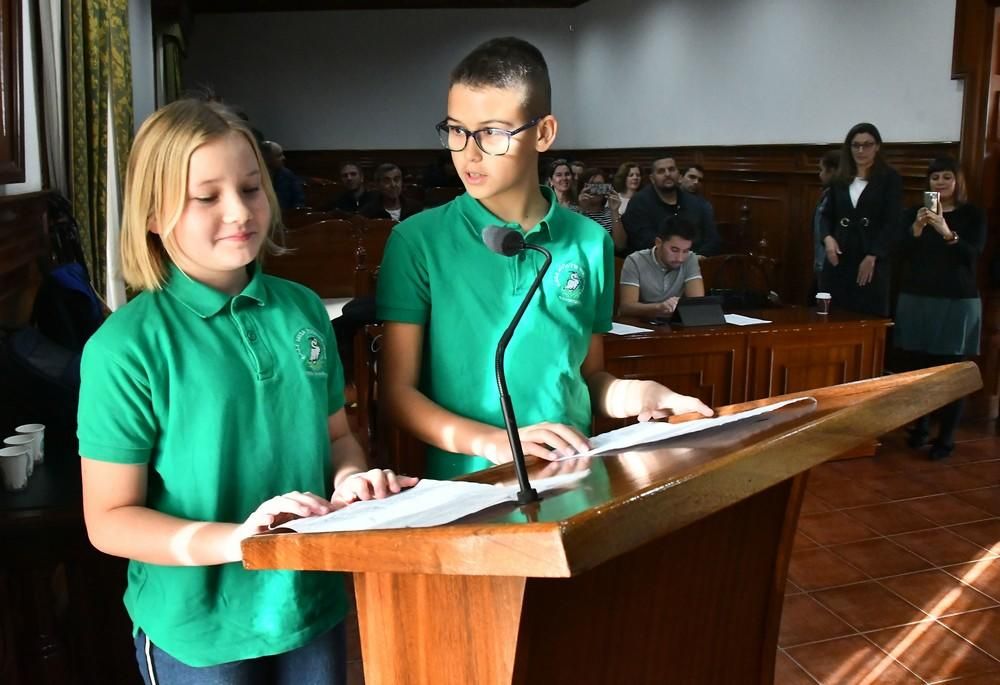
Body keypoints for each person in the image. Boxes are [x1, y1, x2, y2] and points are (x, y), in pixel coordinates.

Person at [76, 98, 416, 683]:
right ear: (153, 214)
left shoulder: (304, 309)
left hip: (309, 606)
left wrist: (350, 478)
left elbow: (337, 435)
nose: (239, 211)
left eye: (252, 188)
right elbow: (109, 519)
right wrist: (239, 539)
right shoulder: (125, 346)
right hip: (198, 630)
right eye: (206, 196)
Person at [377, 36, 712, 479]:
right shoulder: (417, 240)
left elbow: (589, 378)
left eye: (493, 132)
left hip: (571, 472)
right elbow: (397, 393)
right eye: (457, 130)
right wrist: (496, 443)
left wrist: (638, 395)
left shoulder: (591, 242)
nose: (469, 152)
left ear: (544, 133)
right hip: (472, 481)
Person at [895, 157, 986, 460]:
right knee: (917, 369)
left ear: (958, 181)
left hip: (956, 301)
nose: (941, 182)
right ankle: (920, 428)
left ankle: (945, 438)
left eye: (947, 177)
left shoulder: (973, 215)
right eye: (935, 177)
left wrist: (947, 232)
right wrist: (918, 228)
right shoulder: (914, 213)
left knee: (951, 372)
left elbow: (973, 255)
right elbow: (900, 253)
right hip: (918, 298)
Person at [819, 122, 902, 317]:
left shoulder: (889, 178)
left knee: (867, 313)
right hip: (840, 255)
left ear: (877, 147)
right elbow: (826, 215)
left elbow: (892, 221)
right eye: (855, 145)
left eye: (867, 145)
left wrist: (874, 254)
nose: (861, 150)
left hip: (871, 256)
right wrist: (827, 238)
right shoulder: (840, 178)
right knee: (836, 313)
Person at [622, 156, 721, 256]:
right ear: (652, 178)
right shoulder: (639, 202)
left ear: (678, 174)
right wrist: (681, 257)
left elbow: (713, 239)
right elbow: (644, 241)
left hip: (696, 263)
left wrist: (698, 257)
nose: (668, 174)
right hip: (653, 265)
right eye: (661, 171)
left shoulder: (697, 203)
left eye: (671, 169)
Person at [618, 216, 705, 318]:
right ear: (658, 243)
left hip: (674, 324)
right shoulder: (635, 261)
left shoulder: (690, 258)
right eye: (674, 250)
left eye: (685, 251)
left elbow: (697, 303)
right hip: (642, 323)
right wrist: (659, 307)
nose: (680, 258)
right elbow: (626, 307)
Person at [575, 167, 626, 253]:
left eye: (600, 185)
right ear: (583, 187)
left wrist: (614, 211)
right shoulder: (572, 212)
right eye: (591, 185)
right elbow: (574, 242)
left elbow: (620, 246)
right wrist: (582, 210)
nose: (595, 190)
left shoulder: (612, 214)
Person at [812, 150, 840, 288]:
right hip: (822, 262)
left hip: (828, 263)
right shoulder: (827, 194)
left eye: (822, 170)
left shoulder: (836, 197)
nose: (820, 175)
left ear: (833, 171)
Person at [261, 140, 305, 210]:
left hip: (288, 217)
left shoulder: (287, 175)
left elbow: (299, 200)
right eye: (279, 155)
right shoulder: (255, 177)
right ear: (265, 158)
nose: (283, 158)